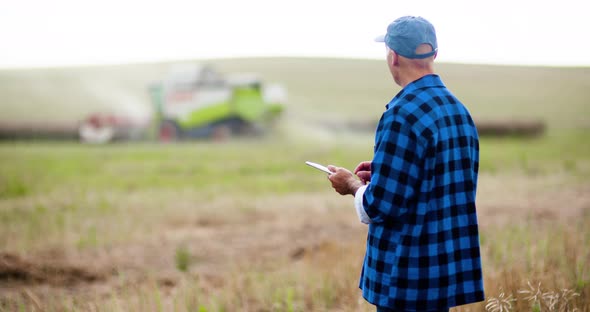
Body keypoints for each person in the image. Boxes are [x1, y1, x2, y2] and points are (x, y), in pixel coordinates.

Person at [327, 16, 485, 312]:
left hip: (407, 278)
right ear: (434, 54)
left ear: (393, 56)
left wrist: (351, 184)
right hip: (443, 273)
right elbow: (439, 178)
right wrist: (386, 171)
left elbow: (380, 206)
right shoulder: (458, 111)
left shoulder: (401, 114)